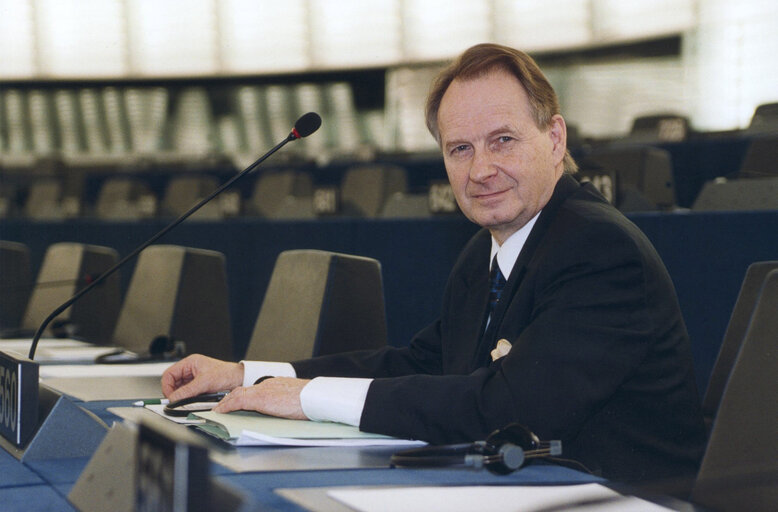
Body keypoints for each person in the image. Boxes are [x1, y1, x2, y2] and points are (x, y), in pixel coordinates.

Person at [162, 43, 707, 483]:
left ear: (555, 138)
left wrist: (309, 398)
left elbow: (507, 409)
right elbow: (421, 364)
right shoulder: (486, 251)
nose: (481, 169)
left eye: (503, 140)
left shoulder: (600, 251)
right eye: (460, 149)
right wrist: (249, 374)